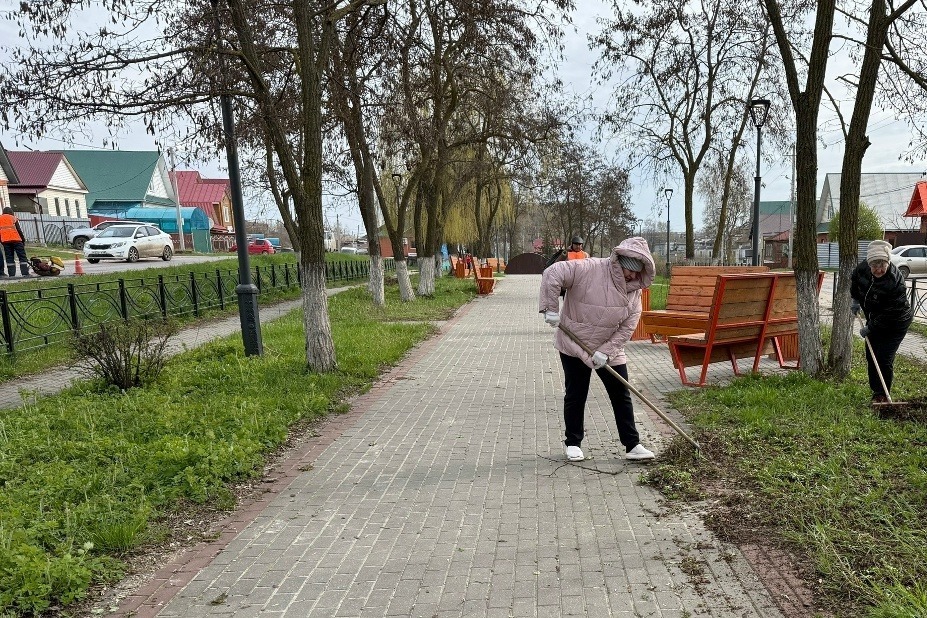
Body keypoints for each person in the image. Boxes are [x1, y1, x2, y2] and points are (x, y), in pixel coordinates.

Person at [539, 236, 656, 462]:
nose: (633, 276)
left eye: (637, 272)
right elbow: (552, 273)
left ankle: (632, 445)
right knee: (576, 394)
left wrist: (607, 352)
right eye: (629, 270)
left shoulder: (635, 291)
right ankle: (573, 443)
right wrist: (550, 308)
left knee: (621, 393)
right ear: (619, 263)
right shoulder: (589, 268)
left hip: (608, 348)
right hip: (575, 343)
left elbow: (628, 327)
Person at [850, 240, 913, 403]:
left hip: (897, 322)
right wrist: (855, 300)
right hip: (876, 318)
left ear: (888, 262)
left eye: (882, 265)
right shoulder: (863, 268)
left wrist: (870, 327)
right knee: (871, 356)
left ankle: (883, 395)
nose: (878, 270)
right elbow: (855, 280)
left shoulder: (895, 282)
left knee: (884, 358)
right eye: (874, 266)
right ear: (869, 264)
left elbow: (892, 312)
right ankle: (876, 392)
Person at [0, 207, 31, 278]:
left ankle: (11, 275)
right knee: (22, 257)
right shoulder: (13, 218)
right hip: (16, 240)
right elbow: (19, 230)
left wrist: (2, 241)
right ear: (11, 212)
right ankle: (25, 273)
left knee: (9, 257)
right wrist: (23, 240)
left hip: (6, 241)